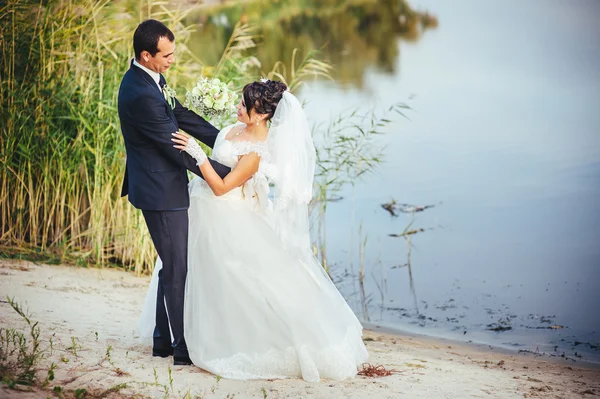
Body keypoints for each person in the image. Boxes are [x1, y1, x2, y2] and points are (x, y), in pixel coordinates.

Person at [139, 80, 369, 381]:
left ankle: (222, 339)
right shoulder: (236, 129)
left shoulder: (256, 151)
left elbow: (221, 188)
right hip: (198, 207)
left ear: (260, 114)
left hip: (223, 213)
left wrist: (196, 155)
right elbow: (218, 147)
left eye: (243, 103)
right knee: (186, 272)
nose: (237, 105)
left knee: (232, 279)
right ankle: (174, 337)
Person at [118, 19, 231, 366]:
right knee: (178, 267)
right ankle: (183, 350)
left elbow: (178, 113)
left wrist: (226, 140)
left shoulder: (151, 78)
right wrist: (226, 173)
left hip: (163, 185)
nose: (172, 59)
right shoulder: (139, 94)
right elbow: (174, 146)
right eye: (166, 55)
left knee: (172, 266)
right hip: (159, 191)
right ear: (146, 55)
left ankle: (162, 340)